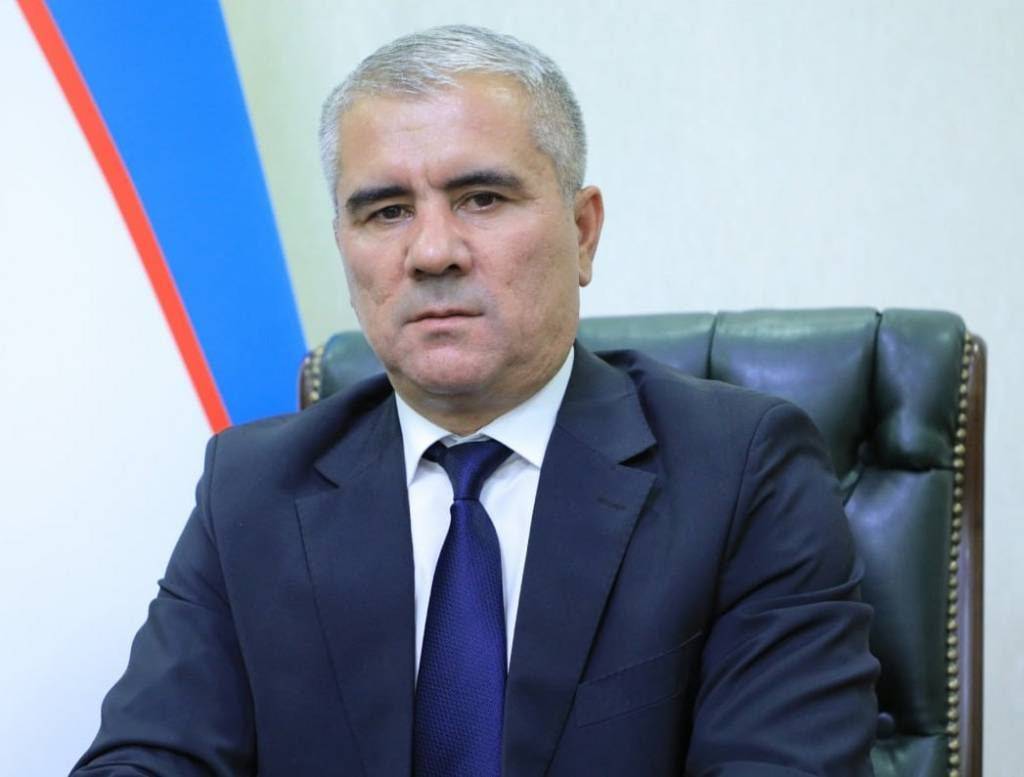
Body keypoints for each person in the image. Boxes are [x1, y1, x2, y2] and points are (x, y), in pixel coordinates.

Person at [74, 25, 879, 776]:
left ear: (583, 231)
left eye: (482, 198)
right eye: (386, 211)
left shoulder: (739, 474)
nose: (432, 251)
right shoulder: (251, 489)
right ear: (345, 249)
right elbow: (145, 758)